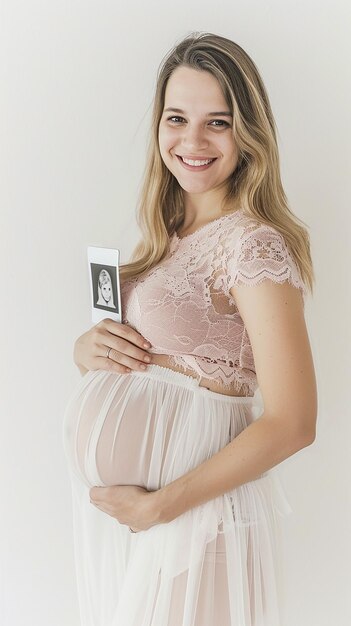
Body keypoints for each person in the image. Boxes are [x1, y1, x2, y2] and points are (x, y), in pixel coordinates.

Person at [62, 31, 317, 626]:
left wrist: (163, 507)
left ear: (249, 134)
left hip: (199, 524)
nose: (192, 141)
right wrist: (86, 351)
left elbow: (294, 421)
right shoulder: (166, 235)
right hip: (148, 529)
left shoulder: (253, 245)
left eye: (218, 122)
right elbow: (162, 368)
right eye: (177, 117)